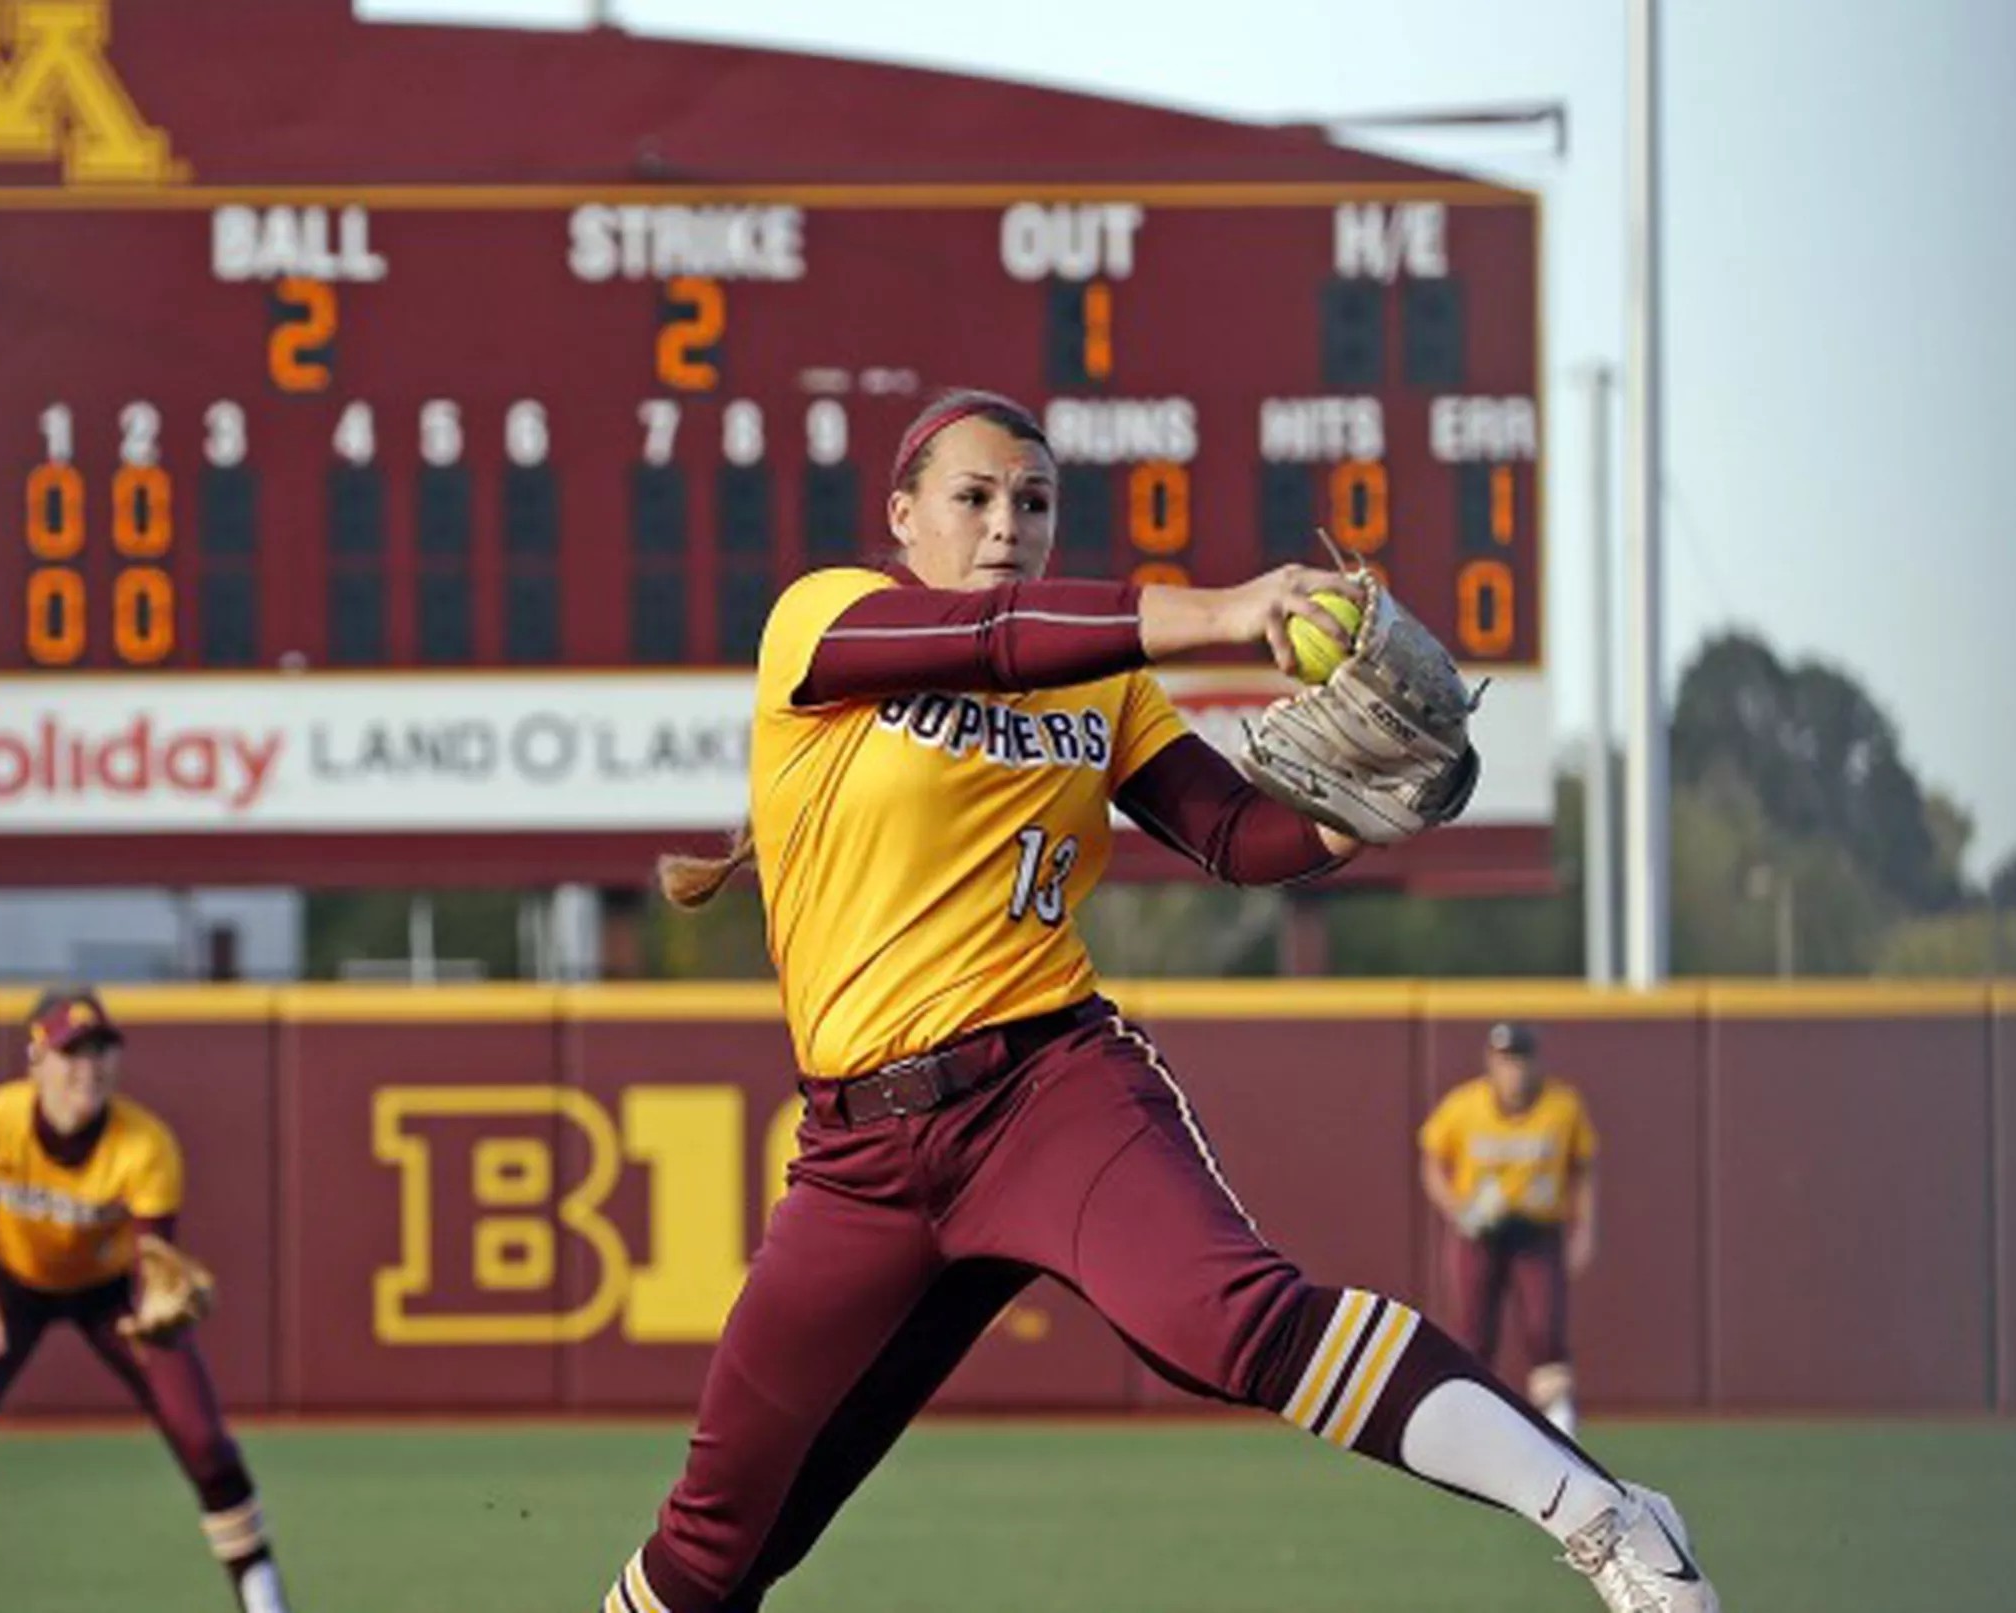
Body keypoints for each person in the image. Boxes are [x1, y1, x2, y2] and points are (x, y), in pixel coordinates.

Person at [594, 390, 1718, 1613]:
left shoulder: (1100, 687)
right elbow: (994, 639)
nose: (1003, 523)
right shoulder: (820, 621)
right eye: (971, 497)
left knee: (1234, 1320)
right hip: (857, 1153)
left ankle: (1605, 1513)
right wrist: (1229, 610)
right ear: (901, 514)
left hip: (1044, 1093)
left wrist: (1357, 816)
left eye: (1032, 501)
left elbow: (1233, 834)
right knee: (716, 1542)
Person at [0, 988, 291, 1613]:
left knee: (201, 1436)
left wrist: (155, 1307)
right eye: (71, 1054)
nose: (89, 1069)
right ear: (35, 1061)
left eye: (102, 1052)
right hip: (9, 1282)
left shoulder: (145, 1145)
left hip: (112, 1292)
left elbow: (154, 1256)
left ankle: (266, 1600)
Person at [1420, 1021, 1601, 1436]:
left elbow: (1583, 1167)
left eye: (1520, 1060)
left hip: (1536, 1229)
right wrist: (1457, 1208)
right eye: (1505, 1061)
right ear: (1490, 1062)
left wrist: (1586, 1228)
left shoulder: (1562, 1106)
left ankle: (1558, 1419)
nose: (1514, 1071)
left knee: (1544, 1326)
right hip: (1480, 1232)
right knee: (1473, 1330)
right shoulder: (1464, 1105)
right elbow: (1431, 1159)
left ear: (1536, 1062)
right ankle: (1472, 1422)